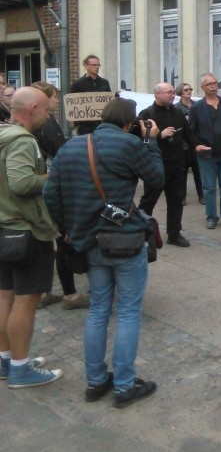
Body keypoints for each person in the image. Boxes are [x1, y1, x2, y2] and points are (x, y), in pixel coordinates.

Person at [44, 98, 163, 407]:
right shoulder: (130, 144)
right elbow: (157, 179)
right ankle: (124, 386)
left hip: (88, 240)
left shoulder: (71, 146)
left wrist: (66, 229)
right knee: (126, 311)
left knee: (98, 309)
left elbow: (49, 194)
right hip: (125, 239)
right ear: (131, 123)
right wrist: (150, 143)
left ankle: (96, 381)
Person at [0, 87, 63, 388]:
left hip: (3, 228)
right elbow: (22, 182)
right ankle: (21, 369)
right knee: (26, 301)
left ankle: (7, 360)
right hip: (25, 230)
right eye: (48, 112)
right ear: (34, 108)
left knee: (4, 297)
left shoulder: (3, 134)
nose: (49, 117)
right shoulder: (23, 141)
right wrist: (53, 176)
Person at [30, 81, 88, 310]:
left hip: (42, 184)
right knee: (62, 239)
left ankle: (43, 291)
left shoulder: (34, 122)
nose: (57, 101)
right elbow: (61, 152)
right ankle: (70, 294)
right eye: (54, 97)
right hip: (53, 184)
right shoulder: (47, 124)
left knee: (43, 242)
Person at [138, 83, 190, 247]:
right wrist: (160, 135)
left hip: (176, 164)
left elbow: (188, 133)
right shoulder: (147, 114)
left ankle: (174, 234)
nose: (173, 95)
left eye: (173, 92)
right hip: (156, 166)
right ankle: (141, 232)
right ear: (157, 94)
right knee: (149, 200)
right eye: (169, 92)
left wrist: (197, 146)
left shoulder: (178, 112)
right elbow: (142, 140)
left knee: (176, 200)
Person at [186, 73, 221, 230]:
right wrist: (196, 145)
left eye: (215, 83)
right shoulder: (197, 107)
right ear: (203, 87)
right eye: (209, 84)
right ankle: (211, 217)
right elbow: (191, 131)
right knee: (209, 188)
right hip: (207, 155)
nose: (214, 86)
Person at [175, 83, 204, 205]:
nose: (189, 91)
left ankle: (202, 196)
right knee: (182, 173)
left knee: (199, 172)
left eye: (190, 89)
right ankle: (181, 197)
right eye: (186, 89)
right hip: (183, 144)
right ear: (180, 92)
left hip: (196, 142)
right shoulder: (176, 108)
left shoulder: (197, 106)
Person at [69, 55, 111, 135]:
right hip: (85, 125)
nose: (97, 67)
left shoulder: (104, 82)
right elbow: (71, 104)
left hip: (101, 124)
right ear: (85, 65)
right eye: (94, 65)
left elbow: (109, 101)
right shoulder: (78, 84)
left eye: (98, 65)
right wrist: (73, 122)